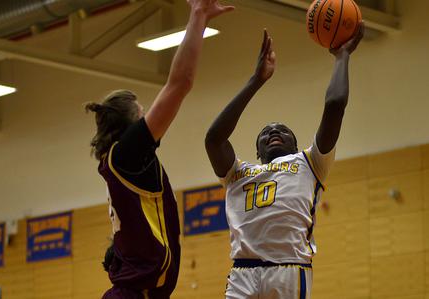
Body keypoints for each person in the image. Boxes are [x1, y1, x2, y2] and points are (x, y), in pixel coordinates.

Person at [85, 1, 234, 298]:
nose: (150, 117)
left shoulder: (119, 161)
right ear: (133, 124)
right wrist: (198, 16)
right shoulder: (127, 154)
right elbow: (180, 83)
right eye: (143, 114)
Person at [205, 24, 364, 299]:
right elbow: (213, 139)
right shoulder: (237, 173)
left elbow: (335, 103)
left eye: (282, 131)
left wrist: (342, 57)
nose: (274, 132)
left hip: (289, 270)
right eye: (266, 132)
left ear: (295, 142)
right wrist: (256, 80)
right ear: (257, 151)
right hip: (243, 272)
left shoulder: (310, 163)